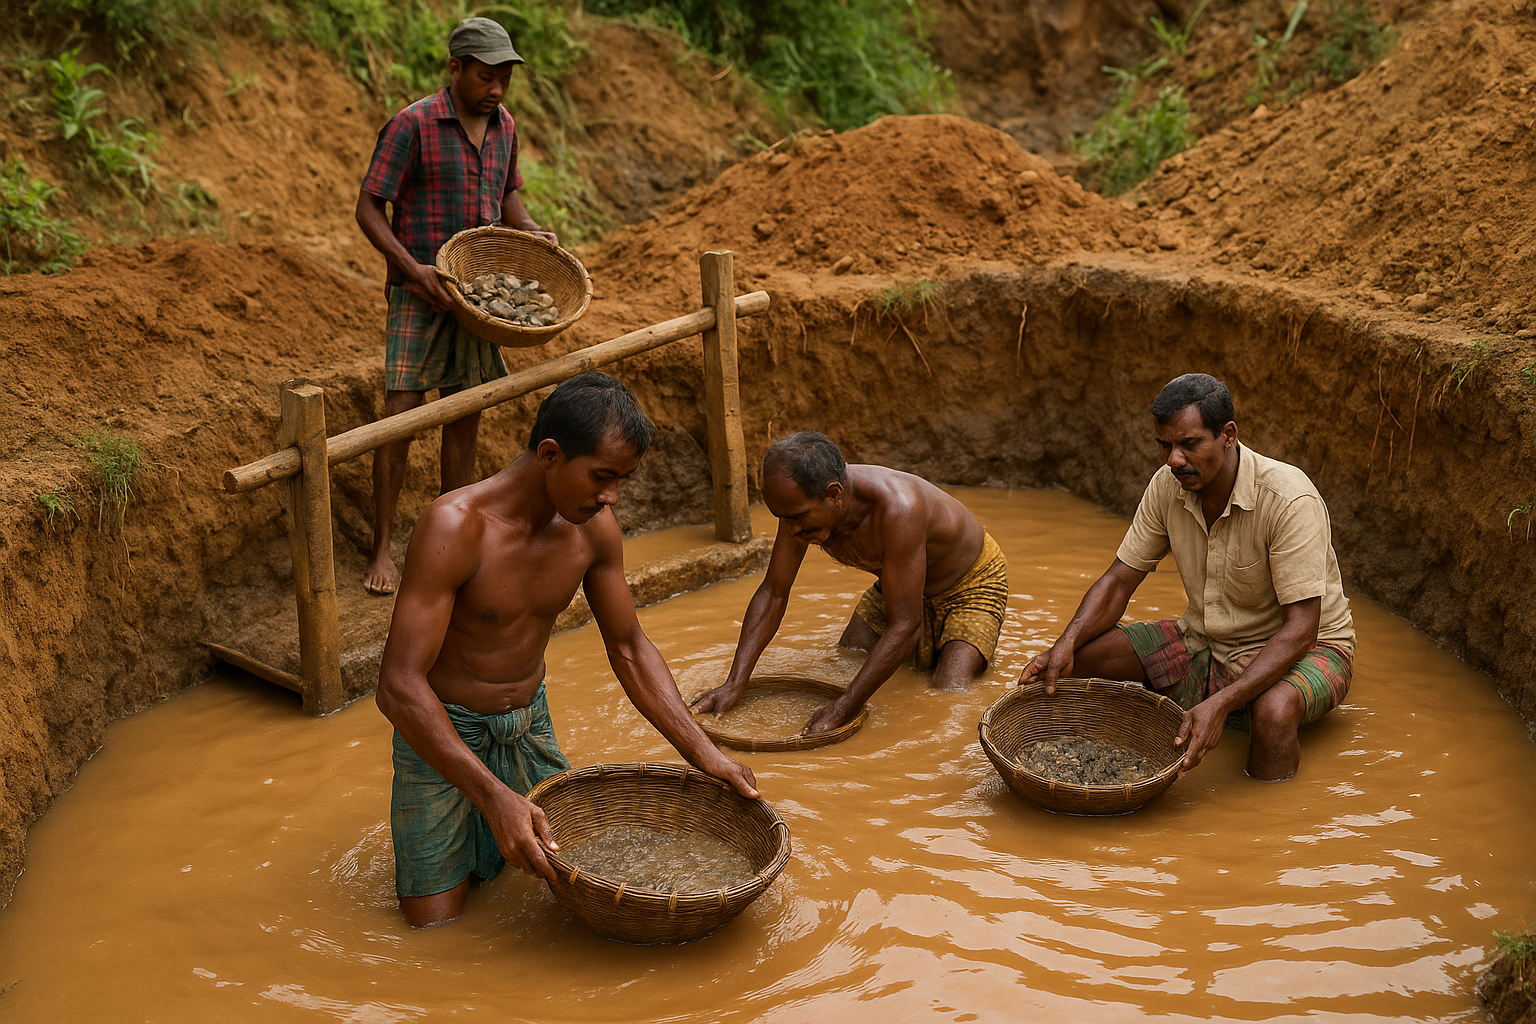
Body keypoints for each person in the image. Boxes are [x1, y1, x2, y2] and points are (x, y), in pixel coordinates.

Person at [375, 372, 758, 928]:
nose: (612, 497)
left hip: (529, 727)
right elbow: (399, 686)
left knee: (570, 888)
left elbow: (628, 647)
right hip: (444, 734)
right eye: (603, 477)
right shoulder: (456, 527)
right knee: (434, 928)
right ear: (550, 454)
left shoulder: (592, 531)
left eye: (621, 481)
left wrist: (706, 755)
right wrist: (493, 796)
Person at [1020, 373, 1355, 781]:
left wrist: (1224, 702)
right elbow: (1120, 580)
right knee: (1075, 664)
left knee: (1272, 712)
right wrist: (1065, 643)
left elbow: (1302, 630)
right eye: (1164, 445)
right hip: (1204, 640)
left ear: (1228, 435)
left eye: (1189, 444)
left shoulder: (1288, 499)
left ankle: (1267, 824)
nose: (1173, 460)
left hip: (1310, 649)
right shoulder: (1167, 487)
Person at [355, 16, 558, 594]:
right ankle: (382, 550)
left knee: (464, 414)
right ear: (456, 69)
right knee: (400, 415)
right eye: (485, 77)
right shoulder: (413, 124)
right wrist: (410, 269)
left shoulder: (505, 127)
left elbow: (508, 195)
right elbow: (369, 208)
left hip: (480, 295)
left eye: (503, 79)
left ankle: (452, 542)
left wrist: (532, 230)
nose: (495, 89)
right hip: (420, 292)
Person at [692, 432, 1009, 735]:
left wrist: (844, 706)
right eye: (781, 517)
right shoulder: (797, 512)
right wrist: (736, 681)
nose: (790, 531)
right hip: (898, 584)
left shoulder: (898, 509)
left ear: (834, 494)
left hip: (970, 585)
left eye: (798, 518)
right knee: (848, 654)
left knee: (948, 692)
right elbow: (774, 592)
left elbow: (907, 624)